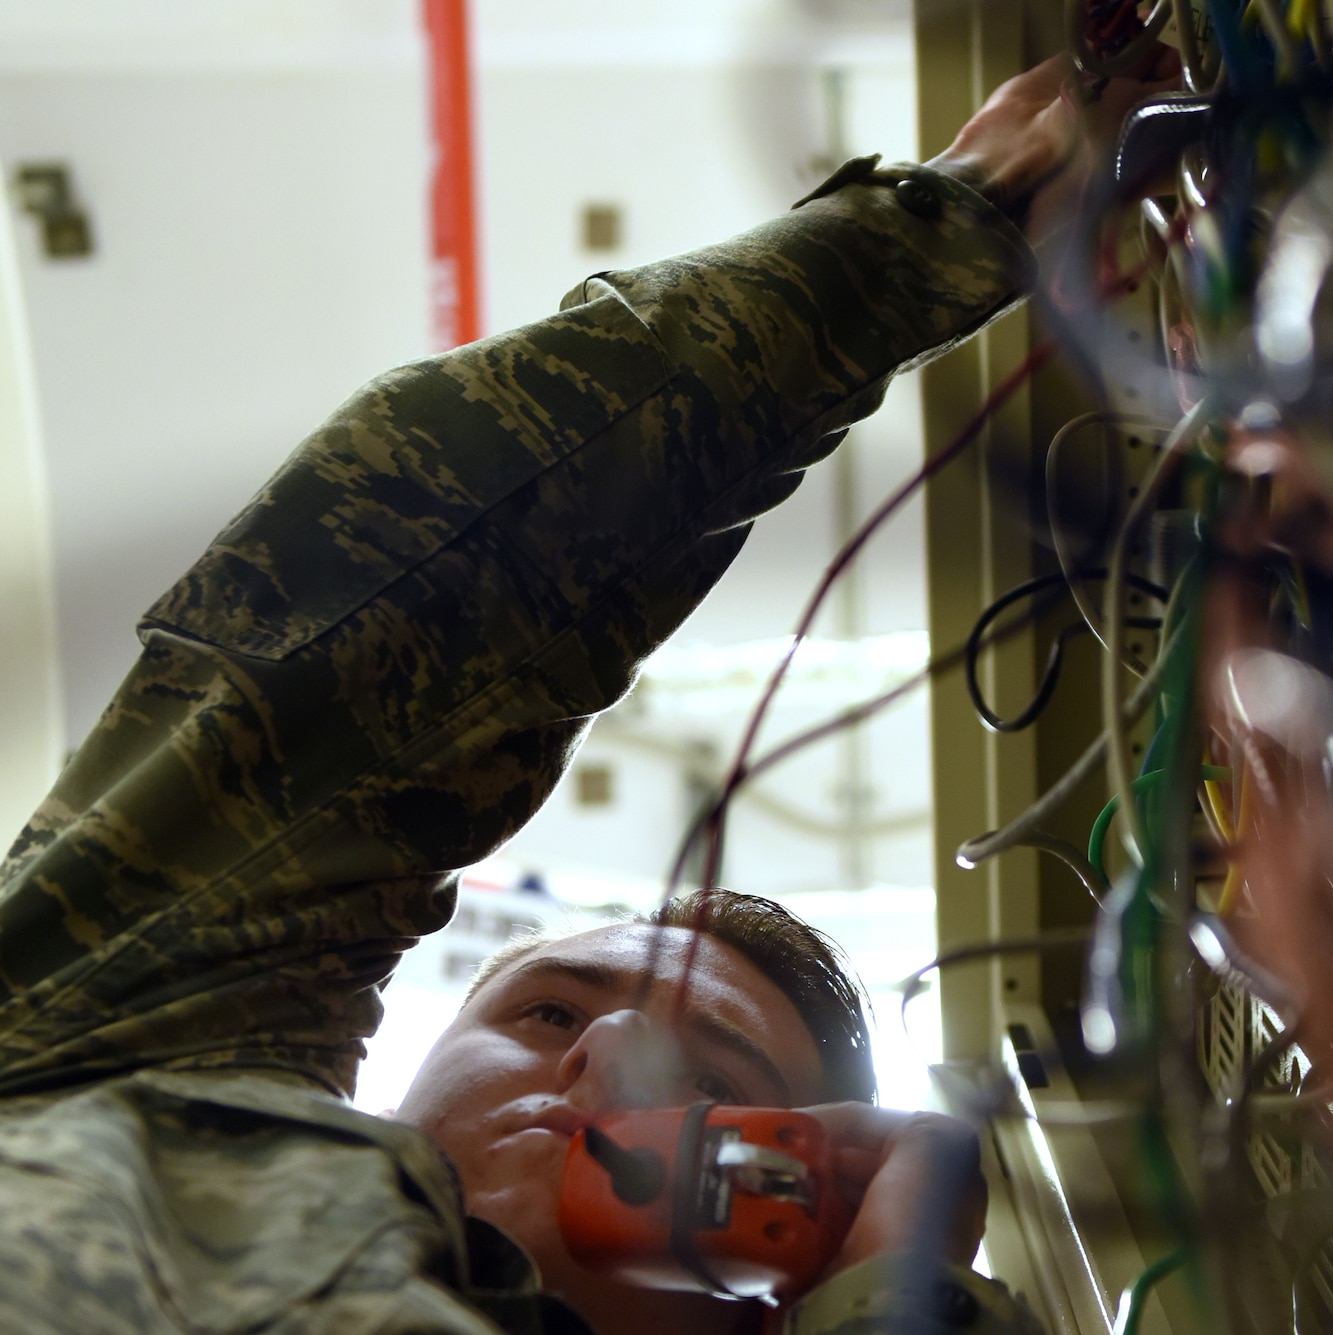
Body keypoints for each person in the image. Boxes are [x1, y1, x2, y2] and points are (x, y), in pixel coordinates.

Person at [0, 52, 1168, 1335]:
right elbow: (393, 584)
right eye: (547, 1009)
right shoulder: (130, 1085)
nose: (600, 1059)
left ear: (776, 1264)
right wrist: (937, 234)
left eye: (707, 1073)